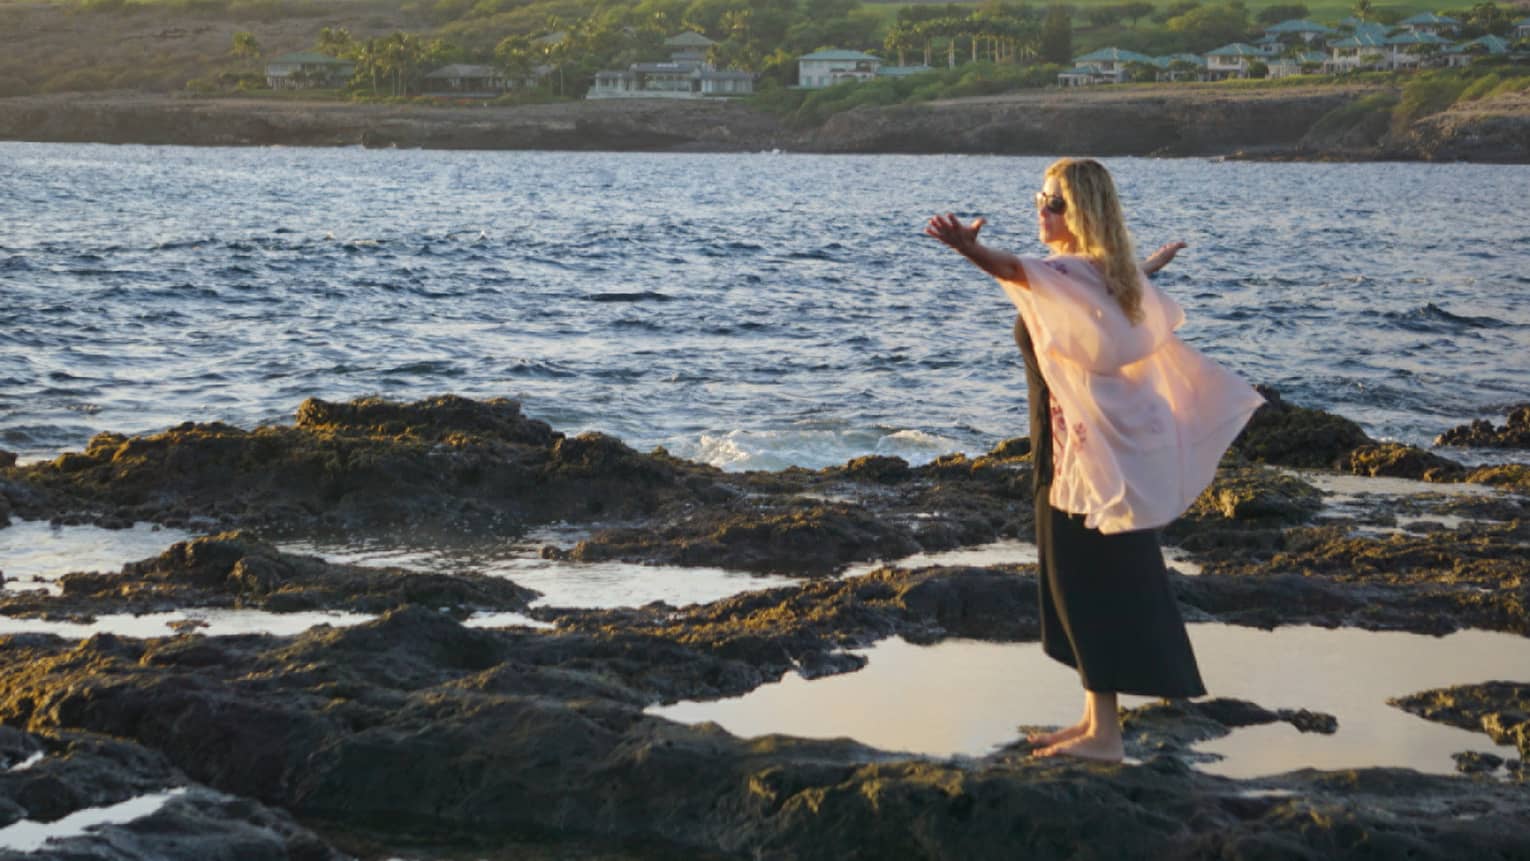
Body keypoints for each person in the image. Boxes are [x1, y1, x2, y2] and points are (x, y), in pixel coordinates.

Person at [924, 158, 1264, 761]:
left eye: (1053, 202)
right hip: (1078, 448)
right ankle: (1092, 720)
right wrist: (1152, 263)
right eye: (1039, 197)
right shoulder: (1105, 272)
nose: (1041, 210)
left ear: (1081, 212)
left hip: (1079, 456)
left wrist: (966, 249)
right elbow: (1112, 275)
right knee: (1086, 582)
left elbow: (1013, 268)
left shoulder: (1070, 272)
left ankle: (1105, 738)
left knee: (1086, 583)